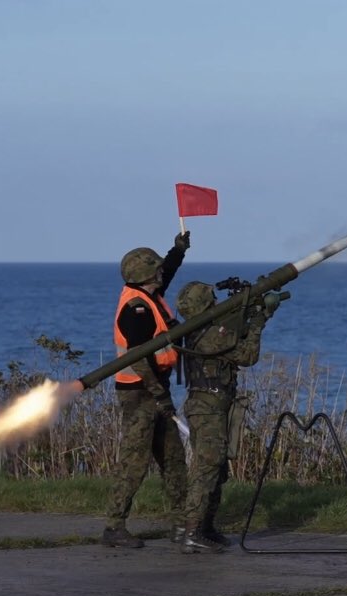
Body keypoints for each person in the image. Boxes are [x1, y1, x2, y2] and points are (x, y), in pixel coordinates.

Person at [102, 230, 191, 549]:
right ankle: (114, 526)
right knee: (134, 461)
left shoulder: (149, 294)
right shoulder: (135, 308)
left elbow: (167, 272)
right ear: (143, 275)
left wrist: (178, 250)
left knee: (173, 458)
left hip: (155, 389)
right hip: (140, 393)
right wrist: (160, 395)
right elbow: (140, 360)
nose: (160, 273)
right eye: (155, 269)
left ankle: (182, 523)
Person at [175, 280, 278, 553]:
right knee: (206, 468)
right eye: (213, 300)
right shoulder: (207, 335)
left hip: (214, 404)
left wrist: (251, 315)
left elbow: (232, 337)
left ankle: (206, 527)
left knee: (218, 469)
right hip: (207, 407)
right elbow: (247, 355)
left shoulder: (203, 330)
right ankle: (192, 531)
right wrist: (258, 322)